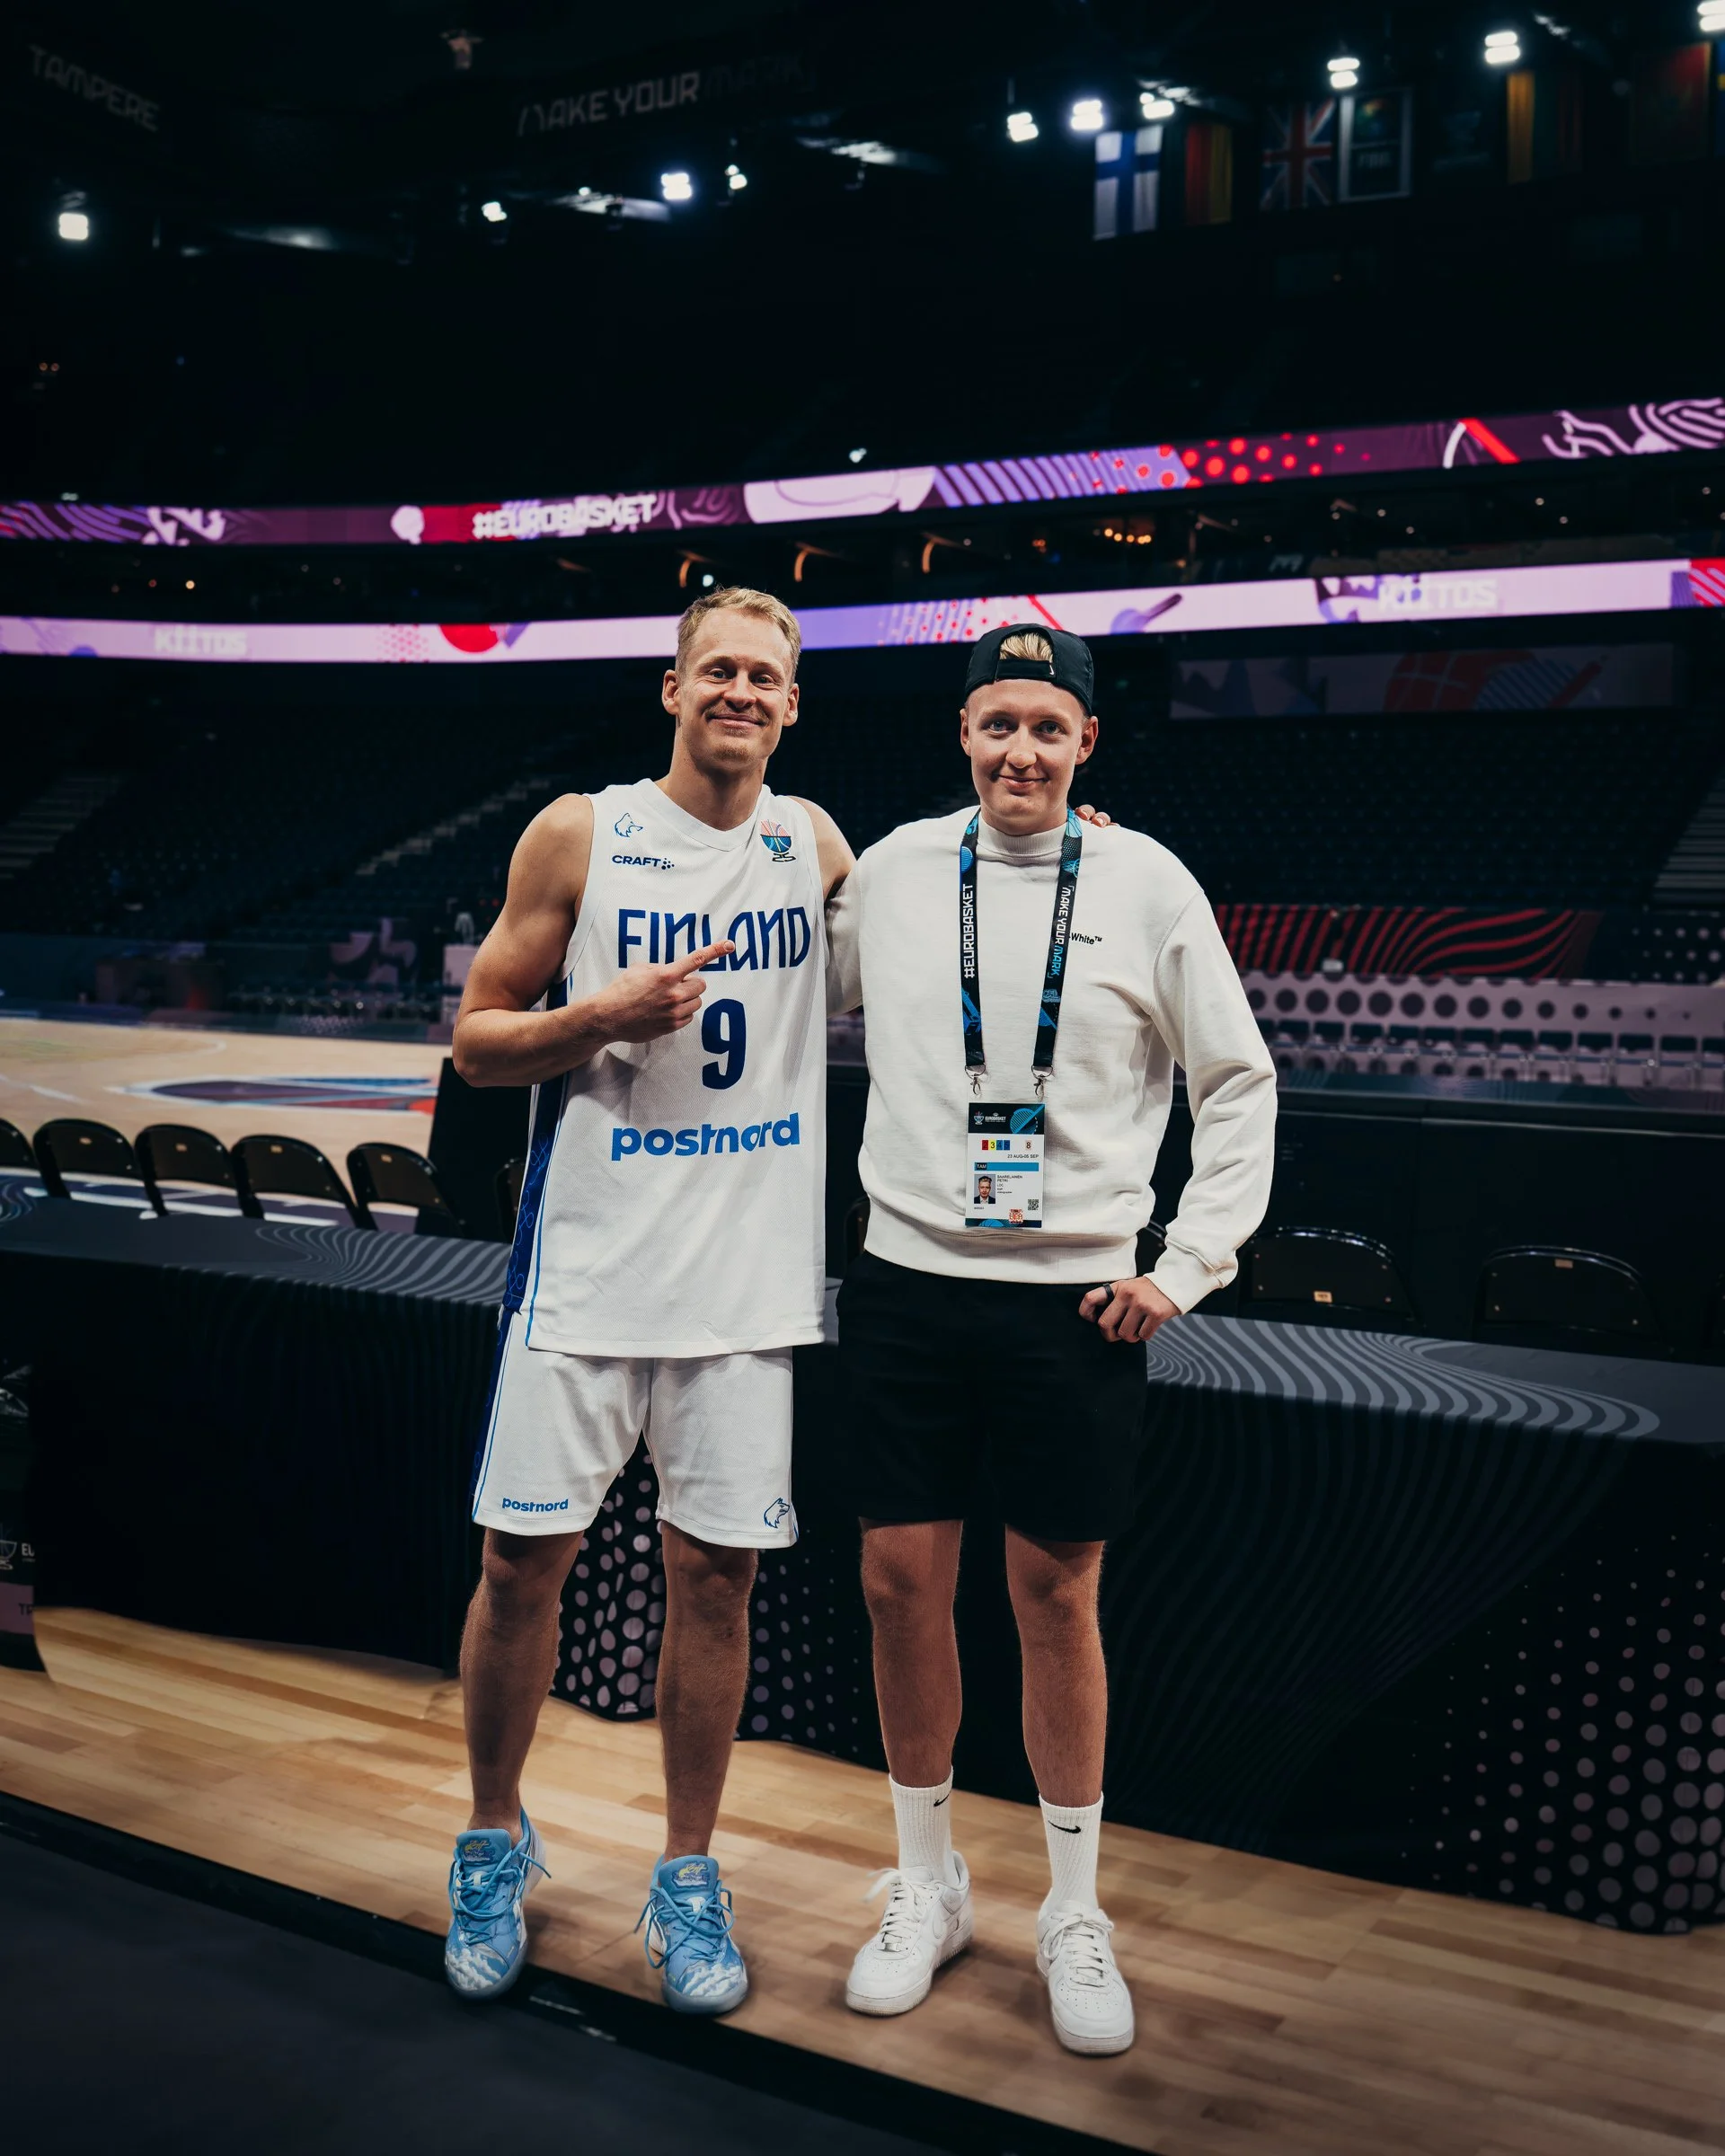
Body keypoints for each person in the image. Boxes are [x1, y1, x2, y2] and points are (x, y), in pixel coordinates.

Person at [827, 623, 1276, 2055]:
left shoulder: (1149, 882)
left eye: (1049, 726)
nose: (1021, 749)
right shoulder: (893, 870)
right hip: (904, 1282)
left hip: (1075, 1296)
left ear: (1089, 744)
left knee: (1053, 1597)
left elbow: (1238, 1079)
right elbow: (791, 1004)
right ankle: (927, 1883)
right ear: (962, 731)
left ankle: (1072, 1908)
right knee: (901, 1584)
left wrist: (1186, 1264)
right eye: (997, 722)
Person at [446, 587, 852, 2013]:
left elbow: (949, 923)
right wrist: (600, 1018)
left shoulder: (813, 845)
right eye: (718, 670)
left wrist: (1072, 854)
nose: (741, 692)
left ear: (794, 707)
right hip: (590, 1272)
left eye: (767, 677)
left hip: (743, 1294)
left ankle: (688, 1873)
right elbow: (479, 1046)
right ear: (671, 688)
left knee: (716, 1583)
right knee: (518, 1570)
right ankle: (492, 1834)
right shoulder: (581, 829)